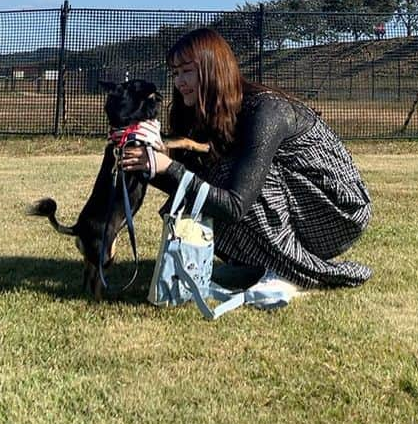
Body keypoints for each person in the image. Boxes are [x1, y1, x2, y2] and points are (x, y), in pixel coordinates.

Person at [119, 27, 372, 294]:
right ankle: (257, 264)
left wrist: (169, 167)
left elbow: (235, 205)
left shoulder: (266, 111)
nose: (180, 81)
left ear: (212, 69)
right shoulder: (205, 113)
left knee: (231, 175)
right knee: (203, 183)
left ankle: (287, 272)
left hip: (338, 212)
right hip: (298, 205)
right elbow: (188, 181)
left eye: (187, 71)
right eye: (175, 73)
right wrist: (148, 159)